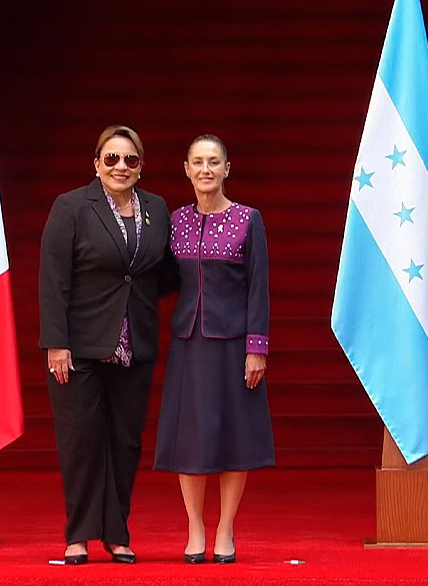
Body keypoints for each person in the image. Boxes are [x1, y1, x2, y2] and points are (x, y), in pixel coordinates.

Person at [38, 125, 171, 565]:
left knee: (125, 442)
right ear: (96, 164)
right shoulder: (72, 207)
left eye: (130, 160)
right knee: (81, 442)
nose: (121, 167)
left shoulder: (156, 208)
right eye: (111, 158)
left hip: (135, 343)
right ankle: (79, 534)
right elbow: (53, 279)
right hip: (79, 346)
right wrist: (56, 343)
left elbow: (162, 272)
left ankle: (117, 533)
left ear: (141, 167)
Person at [154, 134, 274, 565]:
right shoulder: (174, 221)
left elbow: (259, 287)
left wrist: (256, 348)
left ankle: (225, 529)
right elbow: (161, 279)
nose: (206, 170)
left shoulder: (248, 219)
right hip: (188, 343)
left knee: (233, 438)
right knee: (191, 439)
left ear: (227, 168)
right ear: (186, 169)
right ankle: (194, 527)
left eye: (214, 162)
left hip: (233, 345)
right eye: (198, 162)